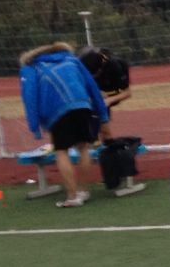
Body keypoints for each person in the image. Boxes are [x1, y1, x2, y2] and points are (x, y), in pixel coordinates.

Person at [19, 42, 111, 208]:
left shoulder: (31, 67)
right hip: (83, 105)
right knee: (84, 147)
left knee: (61, 151)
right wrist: (102, 113)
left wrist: (35, 127)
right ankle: (83, 190)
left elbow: (29, 96)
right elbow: (91, 85)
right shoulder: (71, 60)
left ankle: (72, 196)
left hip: (57, 111)